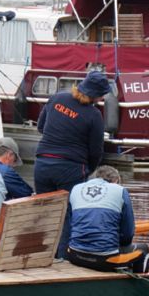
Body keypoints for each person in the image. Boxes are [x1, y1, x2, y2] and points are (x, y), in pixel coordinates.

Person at [34, 70, 111, 257]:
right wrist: (88, 170)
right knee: (67, 216)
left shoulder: (58, 98)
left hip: (42, 164)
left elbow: (41, 127)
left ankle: (41, 255)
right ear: (97, 95)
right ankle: (61, 260)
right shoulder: (94, 115)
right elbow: (96, 151)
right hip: (71, 168)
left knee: (46, 213)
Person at [65, 166, 149, 273]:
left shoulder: (75, 188)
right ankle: (140, 286)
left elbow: (70, 223)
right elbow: (128, 232)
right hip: (104, 259)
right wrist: (121, 245)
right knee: (144, 249)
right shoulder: (120, 191)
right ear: (115, 180)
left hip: (74, 255)